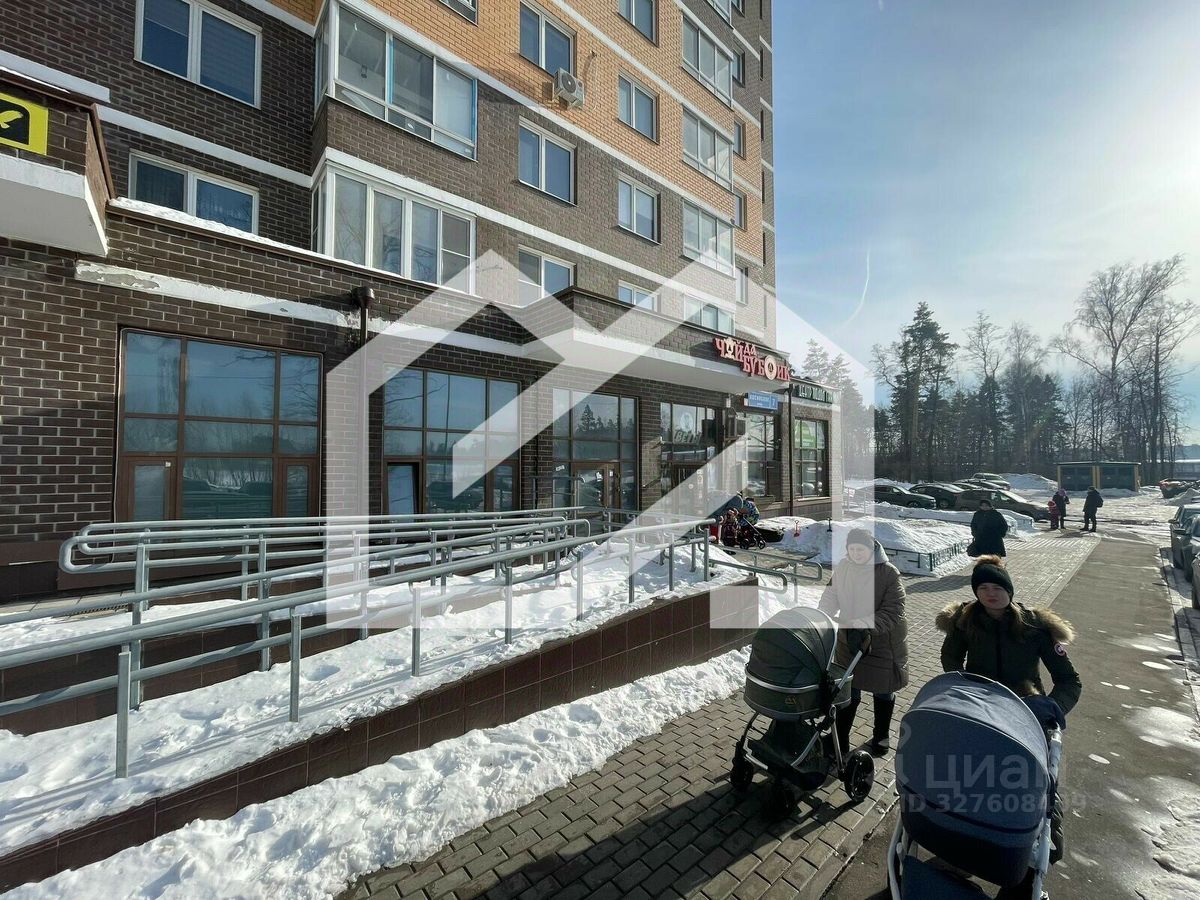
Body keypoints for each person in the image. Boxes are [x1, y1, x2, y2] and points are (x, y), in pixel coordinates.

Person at [937, 556, 1082, 880]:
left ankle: (1043, 841)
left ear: (1009, 590)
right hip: (981, 712)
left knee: (1033, 781)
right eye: (983, 587)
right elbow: (950, 658)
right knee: (974, 779)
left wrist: (1050, 707)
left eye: (997, 587)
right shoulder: (965, 621)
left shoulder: (1035, 626)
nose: (990, 594)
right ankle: (968, 842)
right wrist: (964, 688)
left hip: (1026, 714)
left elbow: (1070, 681)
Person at [820, 528, 909, 758]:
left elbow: (895, 608)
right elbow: (831, 595)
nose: (856, 554)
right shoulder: (843, 567)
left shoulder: (888, 573)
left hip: (880, 642)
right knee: (848, 690)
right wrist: (823, 614)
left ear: (872, 549)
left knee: (883, 690)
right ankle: (841, 739)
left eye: (861, 549)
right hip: (849, 641)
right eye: (852, 549)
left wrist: (866, 624)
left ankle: (881, 734)